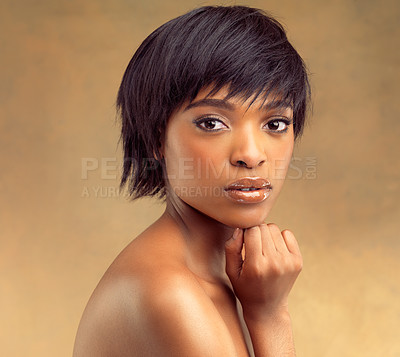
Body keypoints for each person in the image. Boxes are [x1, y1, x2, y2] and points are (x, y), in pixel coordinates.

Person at [73, 5, 311, 356]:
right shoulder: (170, 293)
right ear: (157, 139)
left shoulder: (228, 277)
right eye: (212, 123)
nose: (251, 154)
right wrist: (271, 317)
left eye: (275, 124)